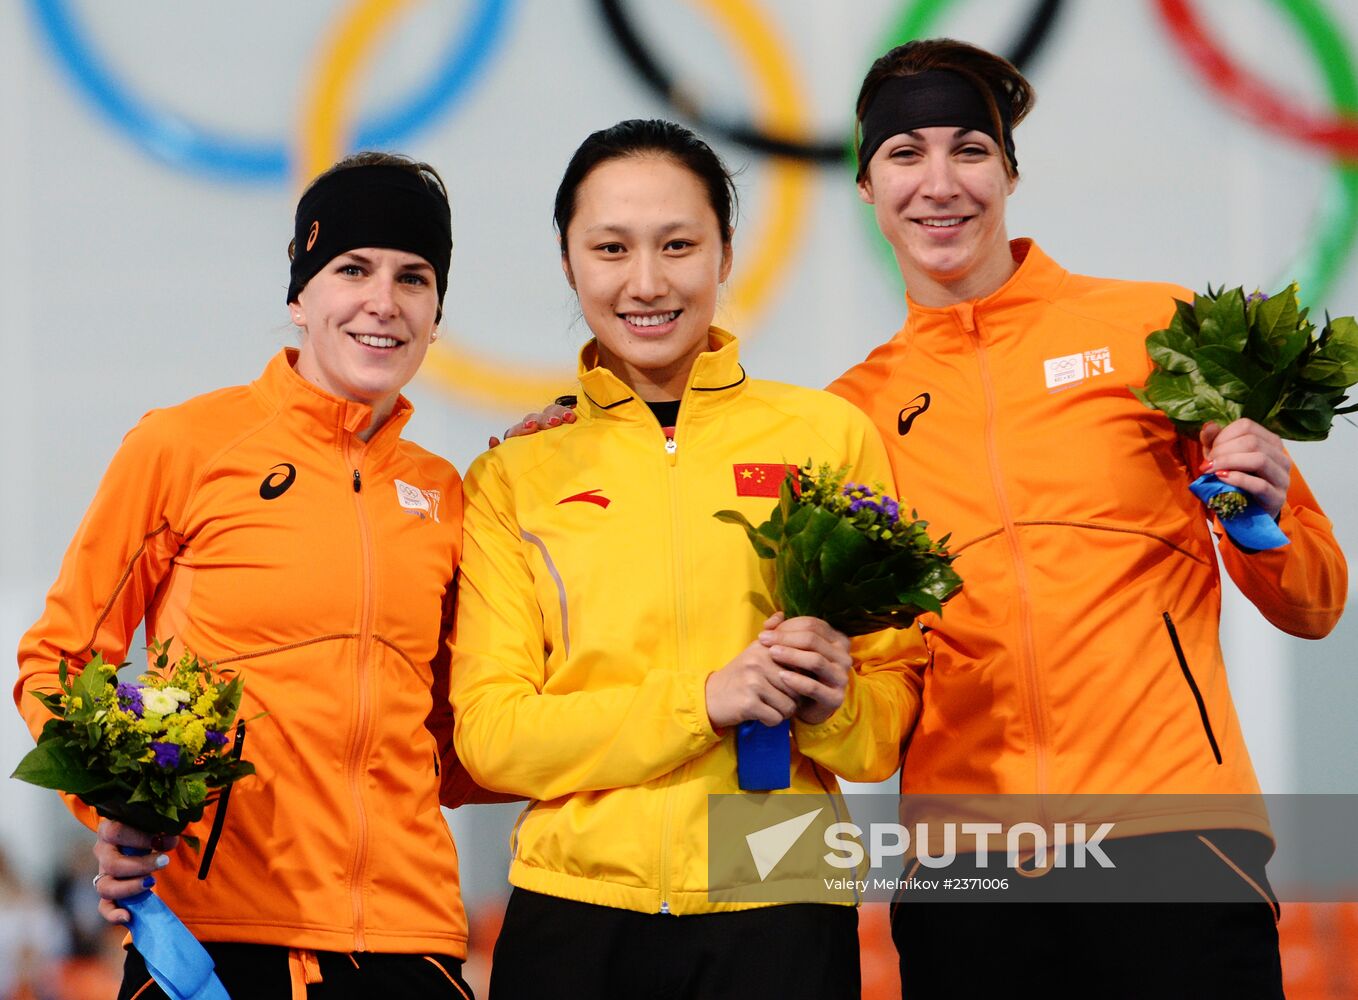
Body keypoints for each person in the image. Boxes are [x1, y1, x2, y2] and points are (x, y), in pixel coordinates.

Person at [500, 40, 1348, 998]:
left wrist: (1259, 519)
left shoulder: (1154, 335)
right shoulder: (846, 418)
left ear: (1011, 170)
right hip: (966, 863)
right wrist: (593, 428)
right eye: (904, 154)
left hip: (1171, 833)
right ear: (866, 185)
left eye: (968, 150)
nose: (939, 183)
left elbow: (1313, 604)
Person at [449, 119, 926, 1000]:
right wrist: (701, 703)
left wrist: (832, 703)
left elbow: (886, 730)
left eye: (678, 245)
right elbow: (492, 738)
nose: (646, 282)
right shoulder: (515, 474)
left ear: (726, 254)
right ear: (568, 261)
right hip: (574, 911)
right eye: (610, 248)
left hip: (780, 894)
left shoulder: (825, 438)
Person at [15, 152, 479, 999]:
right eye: (352, 269)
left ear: (437, 312)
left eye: (414, 278)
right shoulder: (186, 447)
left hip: (410, 942)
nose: (384, 301)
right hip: (213, 940)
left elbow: (463, 738)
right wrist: (115, 805)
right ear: (300, 297)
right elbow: (59, 657)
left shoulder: (447, 494)